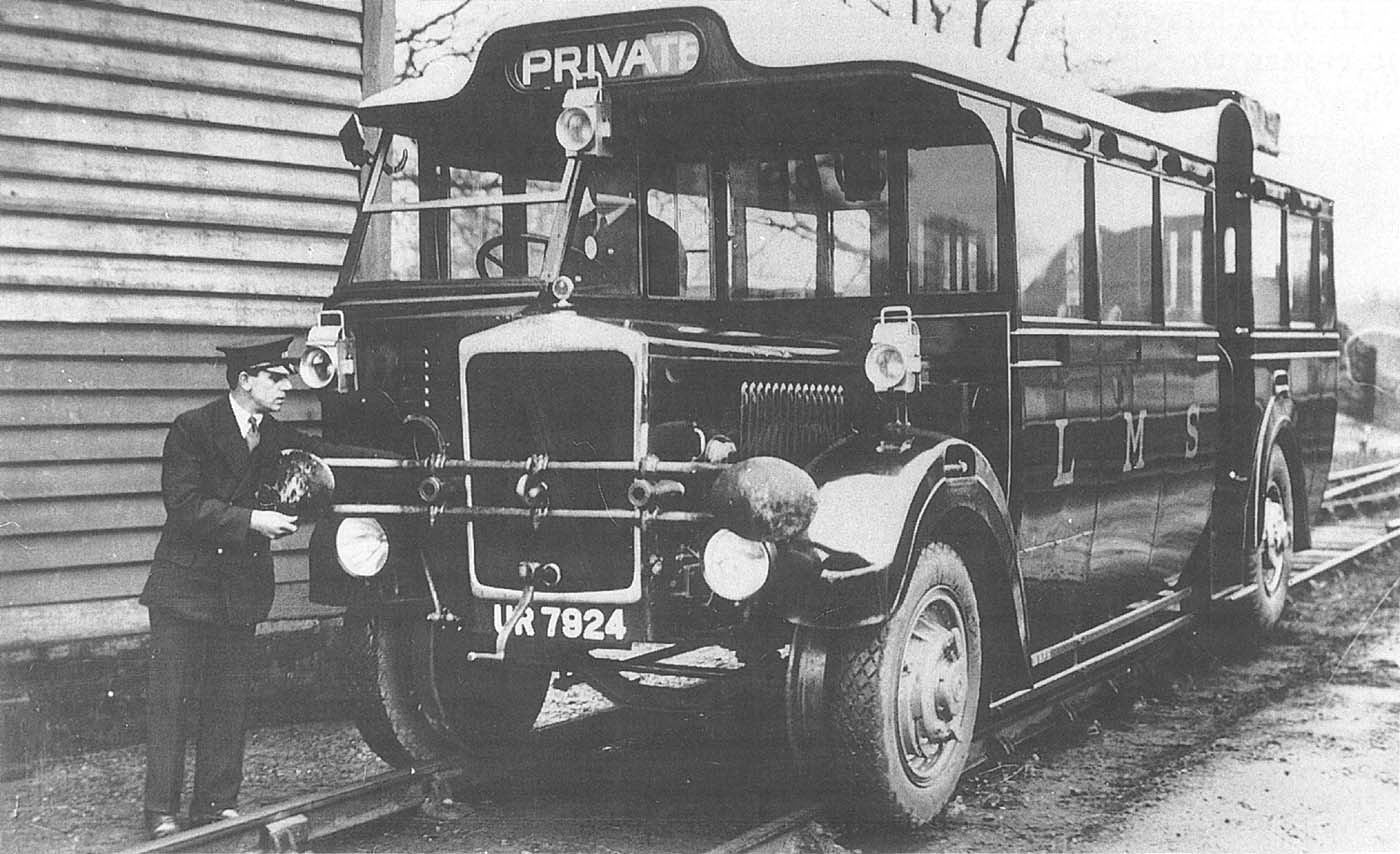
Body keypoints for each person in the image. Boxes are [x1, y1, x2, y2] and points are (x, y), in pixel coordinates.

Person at [138, 337, 363, 838]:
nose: (288, 385)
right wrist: (253, 520)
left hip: (238, 590)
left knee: (228, 697)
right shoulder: (193, 429)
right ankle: (161, 812)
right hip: (184, 589)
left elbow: (330, 453)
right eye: (276, 377)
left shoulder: (273, 433)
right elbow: (186, 506)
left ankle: (216, 804)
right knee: (171, 700)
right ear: (245, 381)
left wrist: (404, 455)